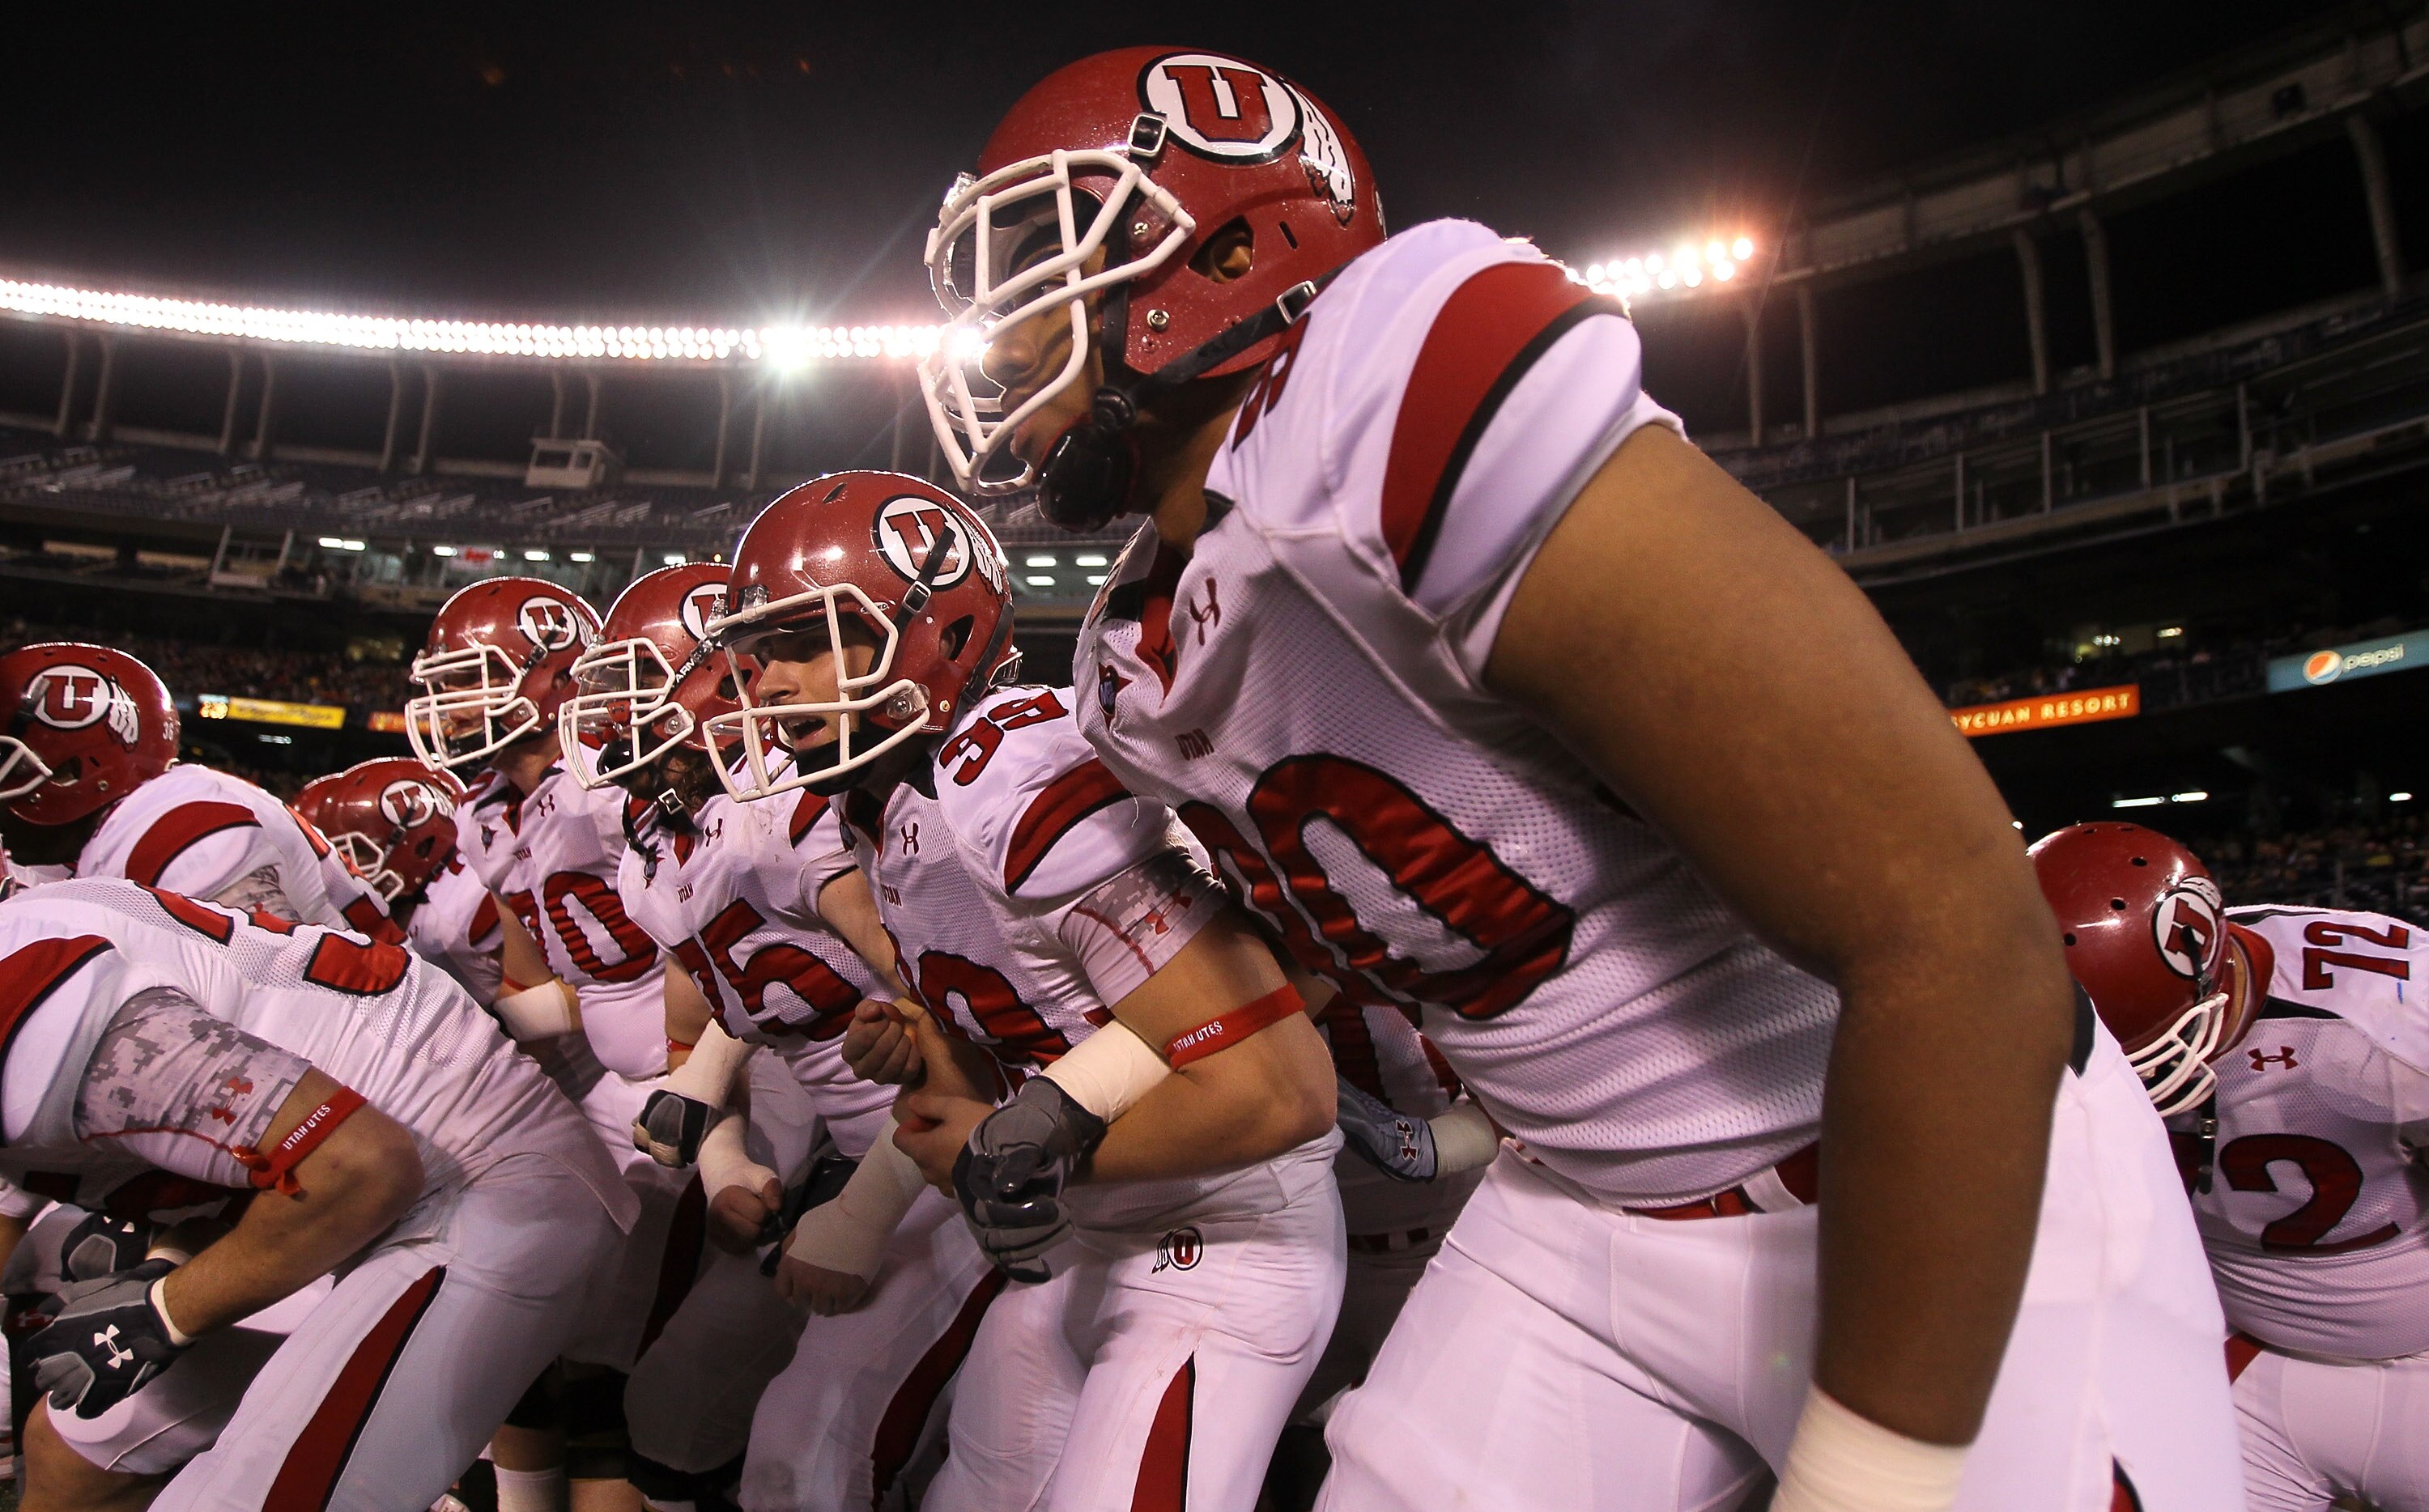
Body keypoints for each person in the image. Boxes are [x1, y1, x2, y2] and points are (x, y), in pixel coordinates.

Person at [914, 48, 2242, 1511]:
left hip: (1916, 1172)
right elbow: (1361, 895)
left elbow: (1953, 924)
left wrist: (1868, 1480)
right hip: (1578, 1210)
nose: (1003, 336)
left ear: (1228, 252)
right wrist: (1086, 1083)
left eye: (1049, 268)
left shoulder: (1384, 382)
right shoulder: (1134, 655)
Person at [709, 470, 1344, 1512]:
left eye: (801, 642)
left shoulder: (1019, 774)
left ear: (933, 631)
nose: (767, 684)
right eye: (758, 653)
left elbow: (1271, 1088)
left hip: (1223, 1230)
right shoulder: (886, 804)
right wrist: (923, 1044)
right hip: (1086, 1235)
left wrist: (1010, 1151)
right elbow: (1012, 1041)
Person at [565, 560, 996, 1510]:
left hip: (944, 1145)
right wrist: (722, 1162)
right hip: (838, 1147)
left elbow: (964, 1008)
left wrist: (863, 1205)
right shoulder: (657, 845)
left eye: (638, 690)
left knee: (814, 1445)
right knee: (674, 1404)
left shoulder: (790, 817)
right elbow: (703, 1029)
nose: (612, 722)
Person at [0, 876, 632, 1512]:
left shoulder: (31, 1010)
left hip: (466, 1181)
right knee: (80, 1445)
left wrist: (162, 1310)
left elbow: (362, 1166)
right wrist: (165, 1270)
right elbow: (237, 1171)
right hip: (349, 1205)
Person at [2035, 822, 2429, 1512]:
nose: (2126, 1080)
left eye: (2146, 1051)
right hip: (2245, 1366)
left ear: (2210, 974)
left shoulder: (2389, 1018)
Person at [0, 643, 397, 939]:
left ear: (76, 770)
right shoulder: (110, 836)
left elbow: (283, 998)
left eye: (8, 765)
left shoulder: (172, 824)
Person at [296, 758, 503, 1003]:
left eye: (356, 855)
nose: (346, 872)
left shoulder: (457, 909)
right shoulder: (430, 903)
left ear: (421, 845)